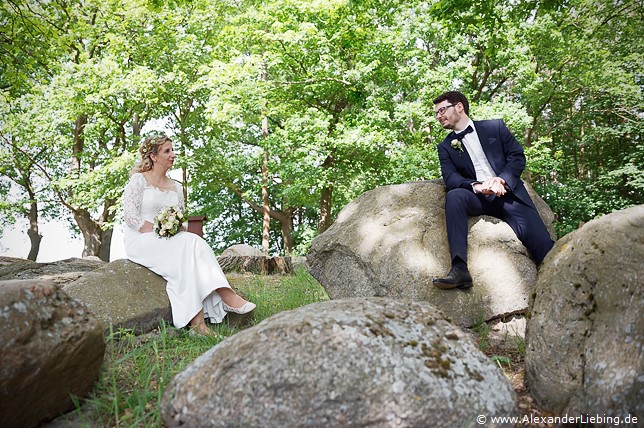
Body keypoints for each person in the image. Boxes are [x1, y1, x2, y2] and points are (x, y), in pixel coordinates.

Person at [123, 135, 255, 335]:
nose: (173, 155)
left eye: (172, 150)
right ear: (153, 156)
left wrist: (174, 228)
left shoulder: (176, 187)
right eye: (167, 151)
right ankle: (223, 299)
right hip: (141, 239)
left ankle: (200, 322)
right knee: (187, 245)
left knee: (192, 241)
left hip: (169, 239)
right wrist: (160, 229)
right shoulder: (138, 180)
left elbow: (181, 220)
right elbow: (131, 217)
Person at [432, 91, 554, 290]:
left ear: (460, 106)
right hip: (477, 198)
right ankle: (460, 269)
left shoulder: (494, 127)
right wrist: (478, 186)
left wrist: (501, 180)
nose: (439, 116)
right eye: (436, 113)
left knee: (543, 245)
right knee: (454, 196)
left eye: (442, 110)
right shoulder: (445, 147)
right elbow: (451, 178)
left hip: (508, 195)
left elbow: (517, 156)